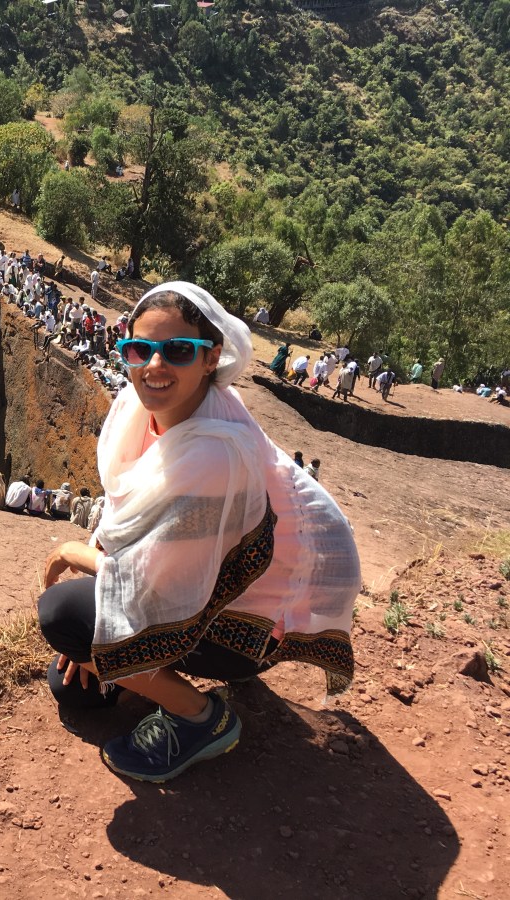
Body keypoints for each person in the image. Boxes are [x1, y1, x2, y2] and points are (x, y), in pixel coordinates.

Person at [36, 281, 360, 783]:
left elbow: (158, 585)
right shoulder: (140, 410)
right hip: (199, 586)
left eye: (178, 351)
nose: (154, 366)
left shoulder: (214, 452)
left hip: (237, 623)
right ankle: (133, 666)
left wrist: (72, 556)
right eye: (139, 349)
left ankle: (203, 719)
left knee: (61, 614)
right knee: (73, 690)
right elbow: (130, 514)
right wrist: (96, 636)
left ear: (210, 358)